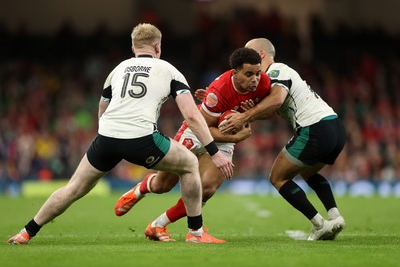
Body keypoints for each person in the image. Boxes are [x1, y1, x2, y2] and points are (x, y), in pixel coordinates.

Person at [7, 23, 234, 245]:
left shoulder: (118, 70)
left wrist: (107, 138)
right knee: (189, 165)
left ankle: (26, 232)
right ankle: (195, 232)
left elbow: (102, 108)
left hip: (106, 138)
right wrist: (214, 152)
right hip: (141, 139)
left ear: (133, 48)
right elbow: (192, 116)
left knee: (73, 189)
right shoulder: (168, 70)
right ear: (158, 47)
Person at [114, 47, 271, 242]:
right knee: (164, 185)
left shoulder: (264, 83)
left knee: (206, 189)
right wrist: (236, 137)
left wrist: (251, 114)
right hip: (197, 132)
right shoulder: (218, 91)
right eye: (249, 74)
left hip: (224, 135)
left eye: (257, 73)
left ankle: (159, 225)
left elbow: (271, 110)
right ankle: (143, 188)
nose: (255, 79)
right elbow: (205, 129)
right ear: (235, 72)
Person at [219, 38, 346, 241]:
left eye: (249, 53)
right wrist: (250, 111)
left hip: (314, 127)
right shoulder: (266, 81)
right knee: (308, 172)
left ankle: (319, 224)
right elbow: (271, 110)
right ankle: (335, 216)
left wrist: (244, 117)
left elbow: (277, 99)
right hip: (335, 127)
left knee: (277, 178)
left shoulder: (277, 70)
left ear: (261, 54)